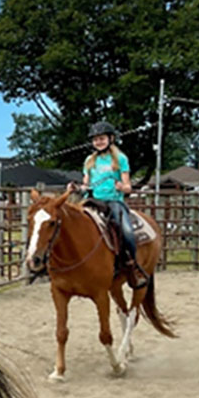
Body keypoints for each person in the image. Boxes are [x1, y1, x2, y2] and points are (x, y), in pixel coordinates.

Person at [69, 120, 147, 286]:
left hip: (114, 202)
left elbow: (128, 187)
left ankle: (133, 266)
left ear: (110, 139)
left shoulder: (120, 158)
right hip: (93, 201)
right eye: (95, 139)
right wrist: (77, 188)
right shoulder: (89, 160)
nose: (98, 142)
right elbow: (86, 184)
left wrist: (122, 186)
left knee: (126, 231)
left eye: (102, 138)